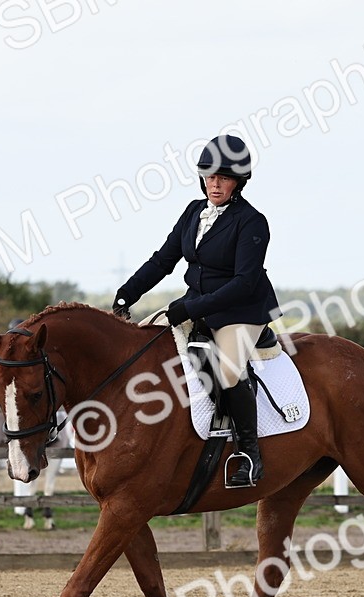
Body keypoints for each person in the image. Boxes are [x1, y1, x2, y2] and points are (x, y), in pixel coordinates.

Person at [112, 134, 279, 487]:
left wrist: (189, 307)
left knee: (229, 370)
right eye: (209, 176)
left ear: (238, 182)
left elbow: (244, 283)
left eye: (223, 178)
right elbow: (163, 260)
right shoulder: (193, 212)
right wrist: (128, 293)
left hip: (241, 310)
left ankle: (249, 454)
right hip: (198, 303)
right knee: (143, 343)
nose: (214, 184)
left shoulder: (252, 221)